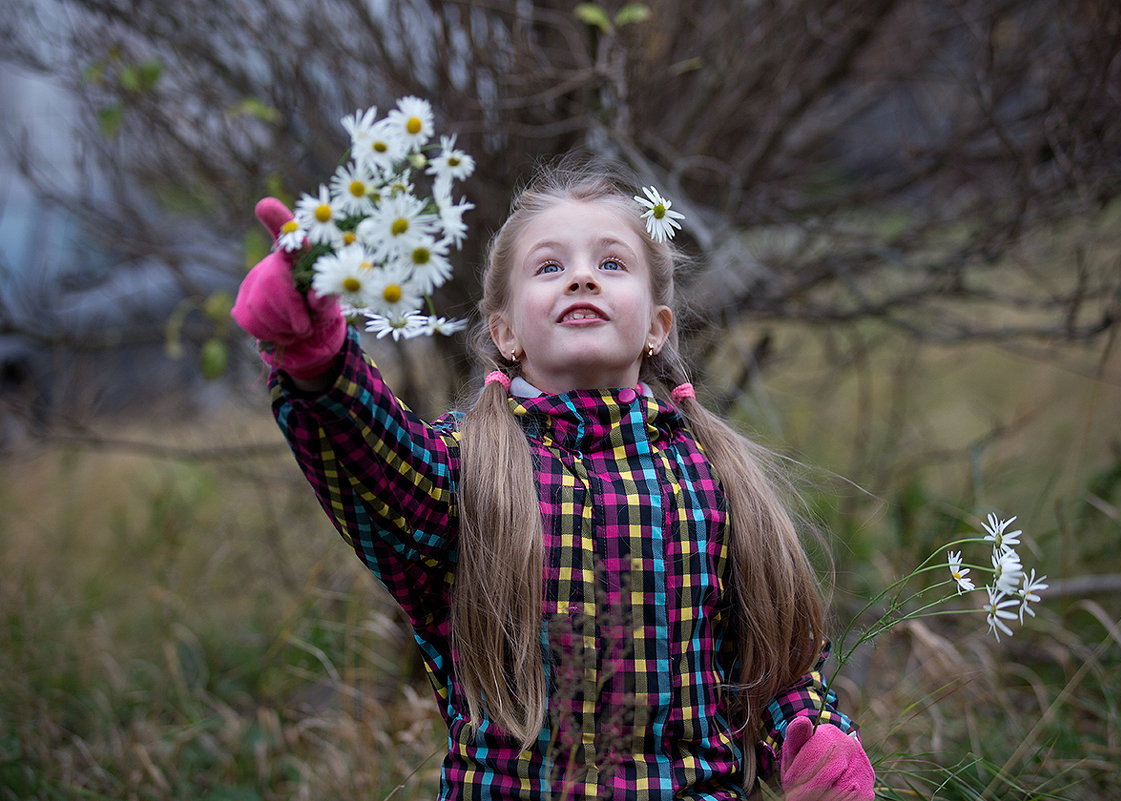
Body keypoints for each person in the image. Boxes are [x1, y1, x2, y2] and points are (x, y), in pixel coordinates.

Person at [232, 155, 876, 800]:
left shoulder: (713, 476)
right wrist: (319, 363)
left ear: (656, 326)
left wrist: (813, 734)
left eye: (612, 263)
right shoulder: (466, 470)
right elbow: (373, 460)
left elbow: (778, 660)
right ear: (505, 332)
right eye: (549, 267)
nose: (581, 280)